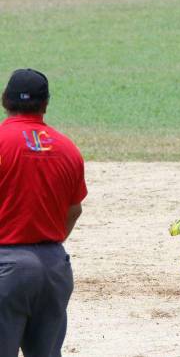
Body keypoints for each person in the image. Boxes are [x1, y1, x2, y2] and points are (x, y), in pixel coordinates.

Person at [0, 69, 87, 357]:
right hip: (53, 269)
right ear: (45, 104)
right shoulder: (67, 148)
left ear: (5, 100)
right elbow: (74, 209)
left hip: (6, 267)